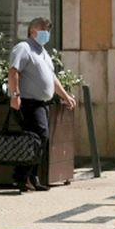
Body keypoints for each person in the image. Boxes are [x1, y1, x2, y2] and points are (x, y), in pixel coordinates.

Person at [7, 17, 76, 193]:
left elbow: (52, 79)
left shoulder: (43, 52)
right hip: (29, 103)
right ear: (32, 31)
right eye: (43, 29)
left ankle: (32, 177)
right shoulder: (24, 48)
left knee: (39, 139)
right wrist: (15, 95)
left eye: (48, 29)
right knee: (38, 137)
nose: (46, 33)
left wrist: (66, 96)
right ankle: (21, 176)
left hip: (42, 103)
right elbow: (14, 71)